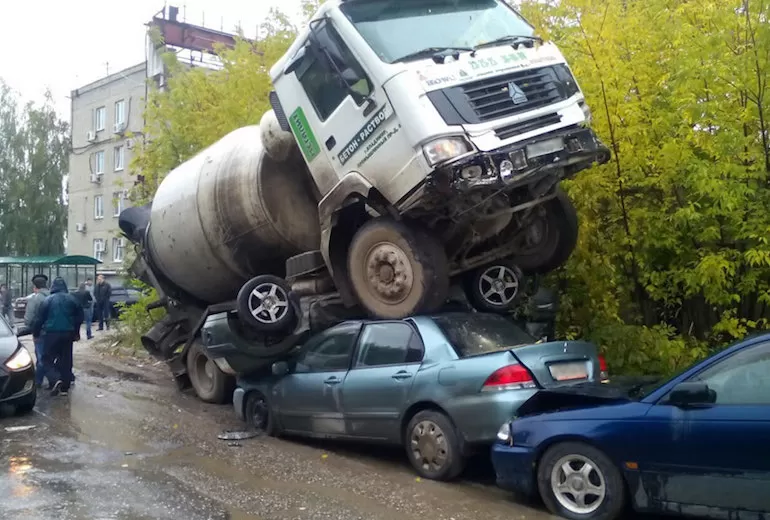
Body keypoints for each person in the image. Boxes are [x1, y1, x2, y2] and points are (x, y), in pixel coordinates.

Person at [32, 277, 84, 396]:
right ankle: (64, 388)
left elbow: (39, 319)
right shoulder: (72, 299)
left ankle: (55, 379)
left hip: (51, 333)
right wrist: (76, 333)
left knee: (46, 359)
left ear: (53, 287)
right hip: (68, 334)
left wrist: (36, 334)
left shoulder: (48, 300)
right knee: (66, 359)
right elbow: (80, 317)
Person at [23, 274, 50, 388]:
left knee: (40, 357)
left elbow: (28, 318)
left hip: (40, 332)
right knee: (51, 355)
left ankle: (38, 381)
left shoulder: (35, 299)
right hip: (54, 332)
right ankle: (54, 379)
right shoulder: (53, 296)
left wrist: (30, 327)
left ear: (35, 287)